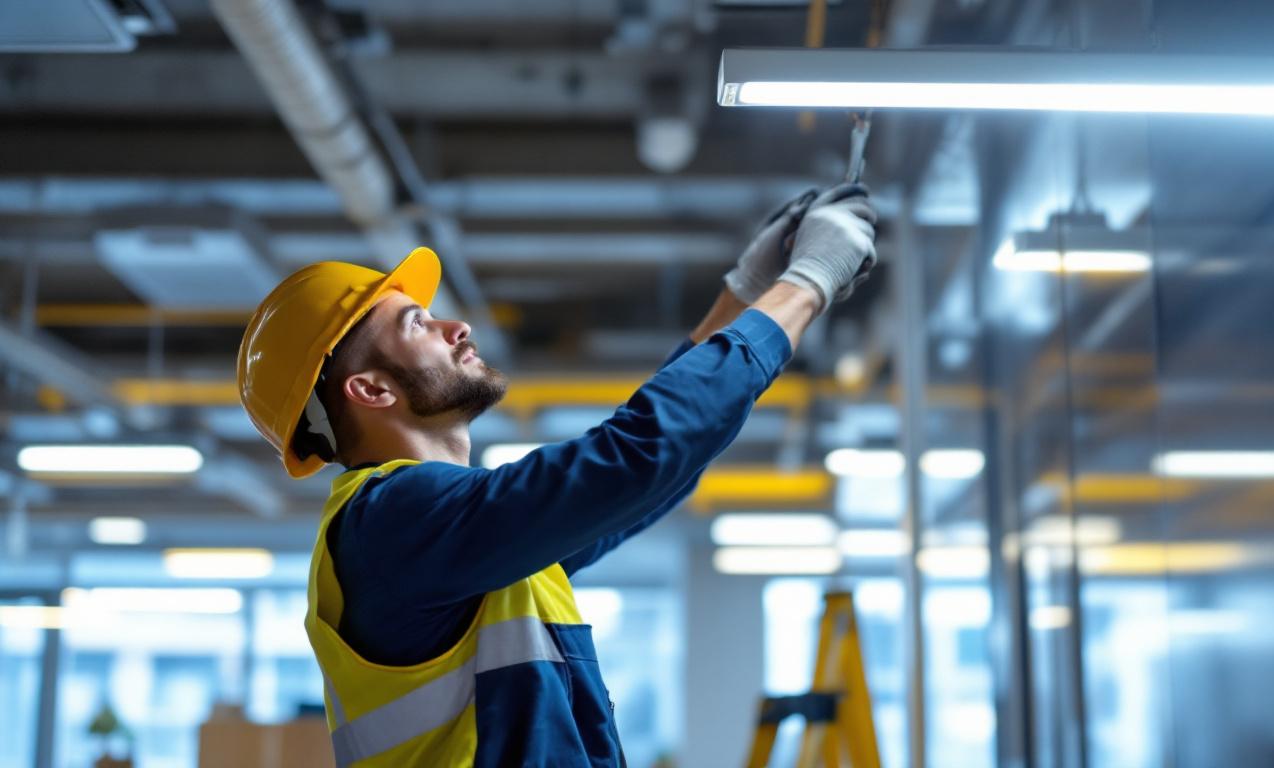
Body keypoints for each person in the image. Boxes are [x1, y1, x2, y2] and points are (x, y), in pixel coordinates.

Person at [235, 183, 879, 766]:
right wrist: (808, 281)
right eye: (417, 324)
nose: (456, 327)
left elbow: (639, 479)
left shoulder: (451, 539)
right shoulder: (394, 523)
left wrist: (744, 292)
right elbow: (638, 458)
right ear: (370, 390)